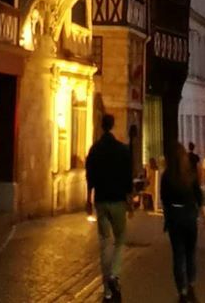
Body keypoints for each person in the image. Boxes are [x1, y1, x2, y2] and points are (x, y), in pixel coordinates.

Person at [85, 113, 133, 302]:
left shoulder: (94, 150)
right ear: (112, 126)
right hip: (118, 201)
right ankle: (114, 273)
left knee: (104, 242)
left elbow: (90, 176)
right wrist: (130, 201)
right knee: (120, 238)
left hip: (101, 200)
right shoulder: (122, 150)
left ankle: (106, 291)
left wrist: (89, 199)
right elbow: (127, 177)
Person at [162, 140, 203, 302]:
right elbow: (198, 196)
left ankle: (182, 291)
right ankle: (192, 285)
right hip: (189, 216)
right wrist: (199, 212)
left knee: (178, 255)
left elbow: (164, 199)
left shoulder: (167, 176)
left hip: (174, 217)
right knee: (190, 253)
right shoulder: (190, 174)